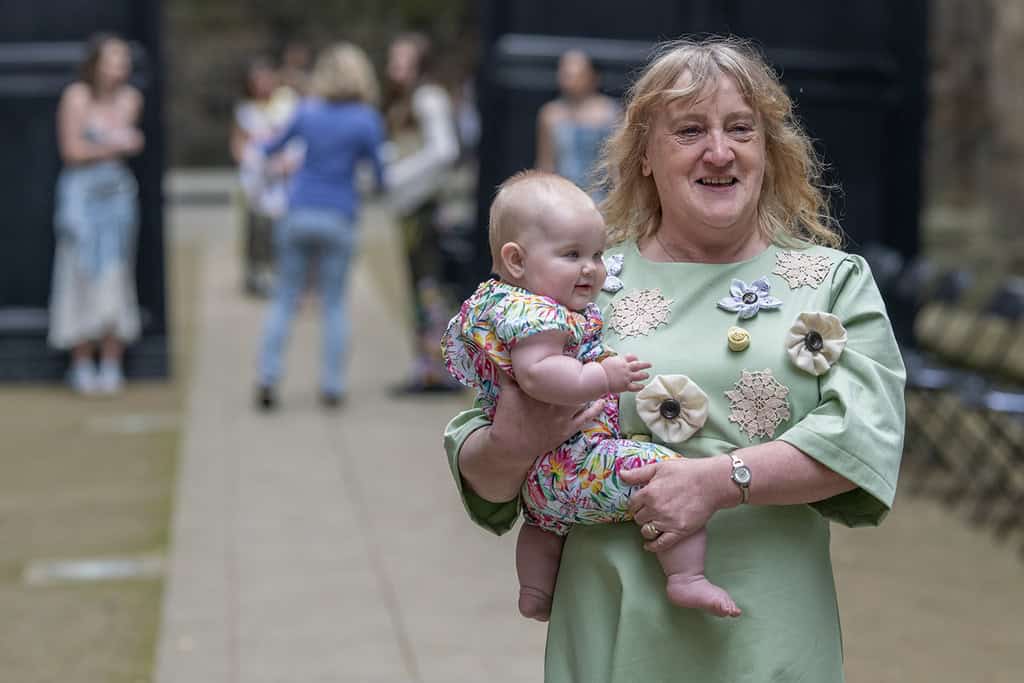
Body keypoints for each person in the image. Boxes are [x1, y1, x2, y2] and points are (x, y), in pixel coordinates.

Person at [444, 36, 906, 682]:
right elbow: (484, 478)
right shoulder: (581, 283)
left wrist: (718, 480)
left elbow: (867, 440)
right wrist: (511, 442)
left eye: (740, 128)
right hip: (613, 621)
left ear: (767, 151)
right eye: (690, 129)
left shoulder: (832, 281)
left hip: (766, 624)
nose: (719, 150)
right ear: (643, 157)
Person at [443, 170, 741, 621]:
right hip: (574, 460)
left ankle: (536, 590)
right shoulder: (534, 313)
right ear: (516, 260)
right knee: (667, 475)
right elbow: (540, 375)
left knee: (544, 524)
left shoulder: (500, 302)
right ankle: (686, 577)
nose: (591, 268)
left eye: (598, 255)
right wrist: (603, 377)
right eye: (572, 254)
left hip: (541, 482)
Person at [254, 42, 385, 410]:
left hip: (298, 212)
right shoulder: (366, 119)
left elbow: (270, 148)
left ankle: (268, 375)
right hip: (339, 215)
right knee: (333, 304)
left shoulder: (306, 111)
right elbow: (378, 174)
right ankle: (332, 384)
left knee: (284, 299)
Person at [48, 33, 145, 395]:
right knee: (78, 274)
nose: (121, 67)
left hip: (116, 199)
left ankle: (111, 363)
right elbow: (73, 150)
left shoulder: (130, 99)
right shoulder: (76, 97)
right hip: (80, 200)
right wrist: (112, 144)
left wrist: (101, 145)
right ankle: (82, 363)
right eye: (114, 59)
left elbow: (120, 142)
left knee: (115, 275)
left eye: (124, 60)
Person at [383, 32, 462, 394]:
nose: (395, 68)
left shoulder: (429, 98)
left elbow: (444, 150)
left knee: (431, 289)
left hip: (427, 209)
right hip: (410, 210)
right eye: (393, 60)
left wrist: (398, 176)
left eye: (403, 61)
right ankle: (428, 367)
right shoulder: (406, 101)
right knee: (420, 289)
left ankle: (440, 370)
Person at [230, 56, 304, 298]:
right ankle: (257, 274)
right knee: (257, 229)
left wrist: (288, 162)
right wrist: (253, 162)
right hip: (257, 181)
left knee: (284, 229)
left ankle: (286, 274)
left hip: (284, 179)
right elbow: (238, 144)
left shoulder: (286, 105)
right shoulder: (245, 110)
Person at [535, 49, 620, 199]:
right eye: (565, 73)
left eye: (577, 74)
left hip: (600, 197)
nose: (570, 79)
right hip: (563, 196)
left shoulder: (609, 113)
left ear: (593, 76)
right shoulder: (551, 114)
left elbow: (618, 164)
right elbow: (546, 163)